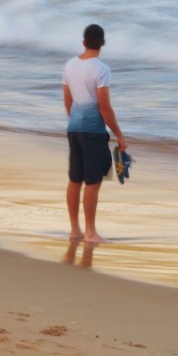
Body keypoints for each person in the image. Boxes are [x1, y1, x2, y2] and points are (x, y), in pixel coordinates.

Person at [62, 23, 127, 243]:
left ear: (83, 43)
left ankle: (74, 230)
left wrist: (76, 121)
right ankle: (90, 232)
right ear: (103, 43)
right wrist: (119, 134)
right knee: (92, 182)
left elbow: (68, 100)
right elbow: (105, 107)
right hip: (93, 132)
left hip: (74, 128)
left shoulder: (69, 65)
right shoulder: (101, 69)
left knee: (74, 179)